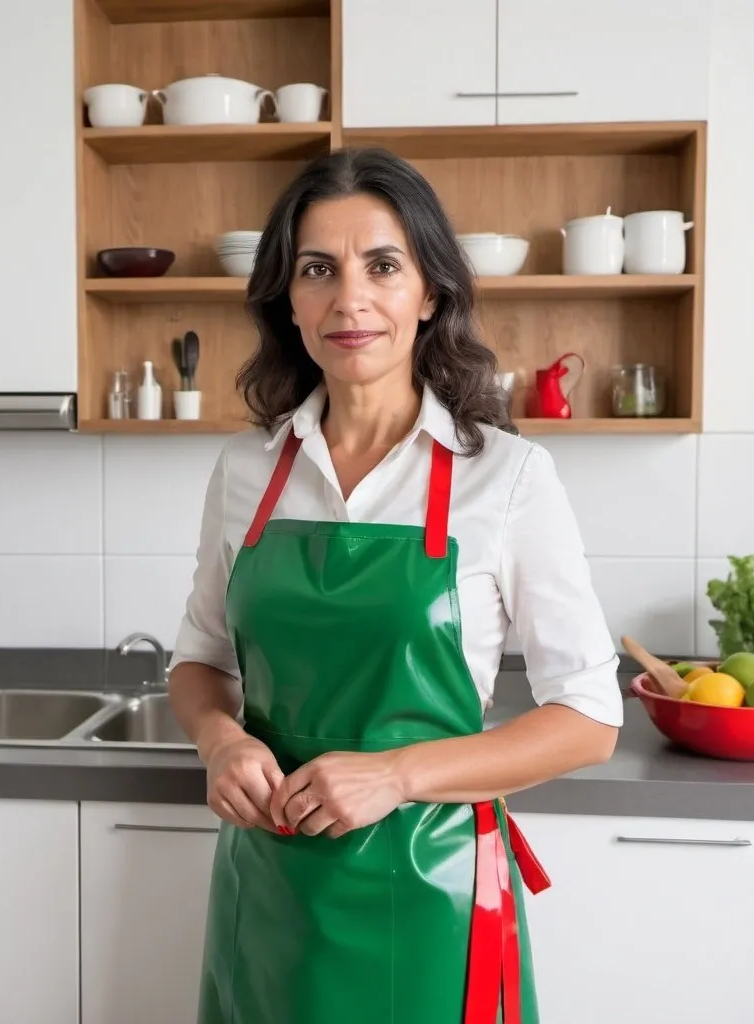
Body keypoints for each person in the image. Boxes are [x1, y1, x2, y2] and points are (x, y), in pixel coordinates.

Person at [168, 146, 623, 1024]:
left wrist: (397, 776)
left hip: (431, 894)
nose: (350, 299)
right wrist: (220, 743)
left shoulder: (509, 480)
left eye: (383, 265)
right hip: (265, 893)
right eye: (317, 270)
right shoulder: (245, 471)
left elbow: (590, 721)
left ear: (431, 293)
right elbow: (199, 661)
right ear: (287, 300)